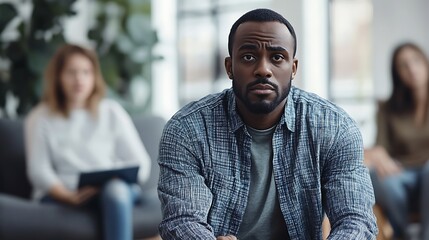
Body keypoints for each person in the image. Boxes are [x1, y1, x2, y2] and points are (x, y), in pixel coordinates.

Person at [157, 8, 377, 240]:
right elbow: (182, 221)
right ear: (230, 67)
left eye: (277, 57)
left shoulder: (335, 128)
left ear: (293, 68)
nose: (263, 69)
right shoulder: (187, 130)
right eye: (249, 57)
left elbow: (356, 219)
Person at [24, 44, 151, 240]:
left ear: (94, 77)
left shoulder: (111, 111)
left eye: (86, 72)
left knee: (116, 192)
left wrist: (114, 179)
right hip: (64, 192)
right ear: (58, 77)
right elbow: (39, 170)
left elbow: (141, 165)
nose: (79, 79)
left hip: (113, 190)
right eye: (71, 72)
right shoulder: (40, 117)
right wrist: (66, 195)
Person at [365, 42, 429, 239]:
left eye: (415, 61)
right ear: (397, 73)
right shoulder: (387, 108)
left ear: (425, 63)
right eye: (403, 65)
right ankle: (403, 235)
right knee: (380, 178)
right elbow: (380, 149)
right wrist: (377, 153)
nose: (411, 69)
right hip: (401, 171)